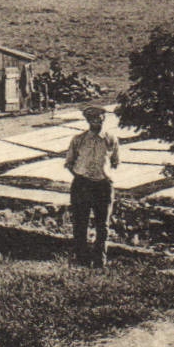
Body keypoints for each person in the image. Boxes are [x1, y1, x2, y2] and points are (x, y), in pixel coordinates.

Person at [64, 104, 121, 266]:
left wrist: (103, 174)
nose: (96, 121)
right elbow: (69, 163)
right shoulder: (79, 140)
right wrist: (81, 176)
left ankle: (99, 261)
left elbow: (115, 162)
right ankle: (81, 259)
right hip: (82, 185)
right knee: (80, 223)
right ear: (88, 121)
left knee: (103, 225)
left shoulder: (111, 139)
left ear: (104, 119)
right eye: (93, 119)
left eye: (99, 118)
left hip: (103, 186)